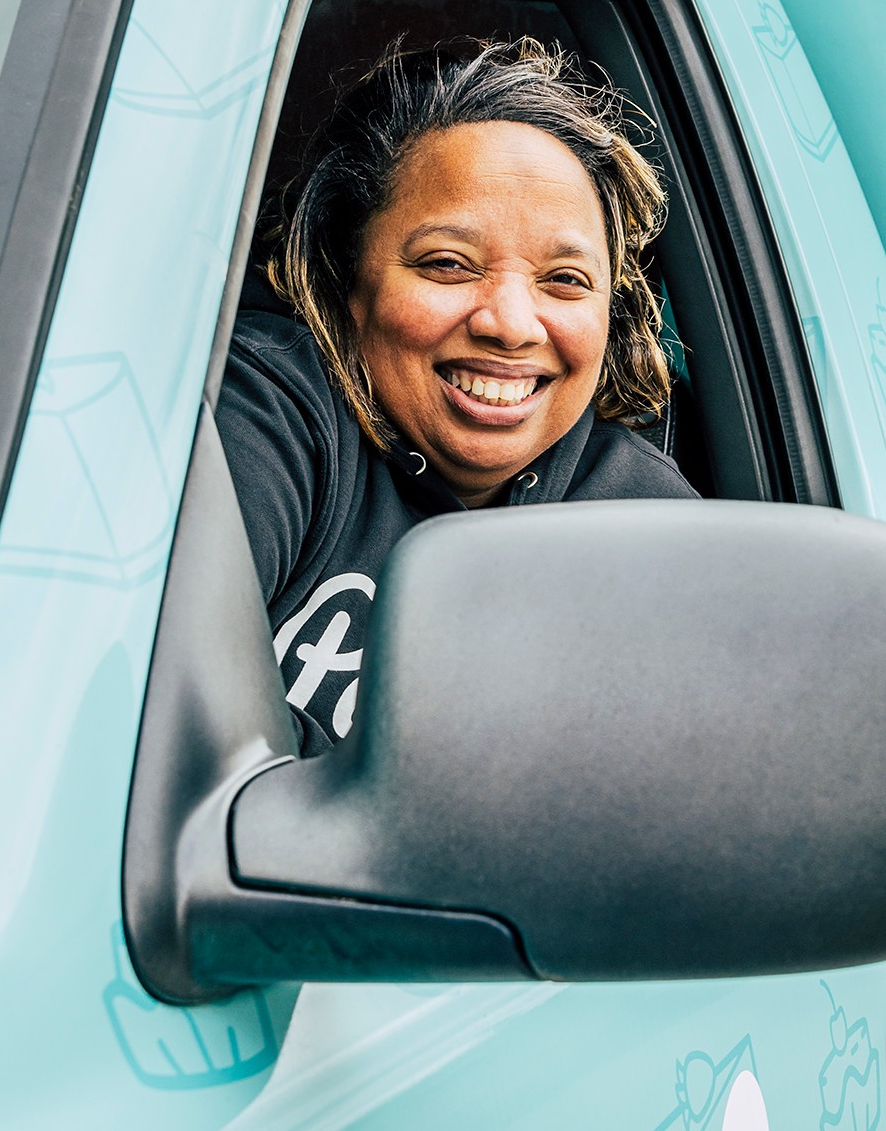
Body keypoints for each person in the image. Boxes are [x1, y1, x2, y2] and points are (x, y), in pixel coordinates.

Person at [219, 38, 697, 749]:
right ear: (346, 279)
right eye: (448, 264)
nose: (511, 324)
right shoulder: (266, 411)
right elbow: (162, 717)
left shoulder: (648, 524)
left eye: (565, 280)